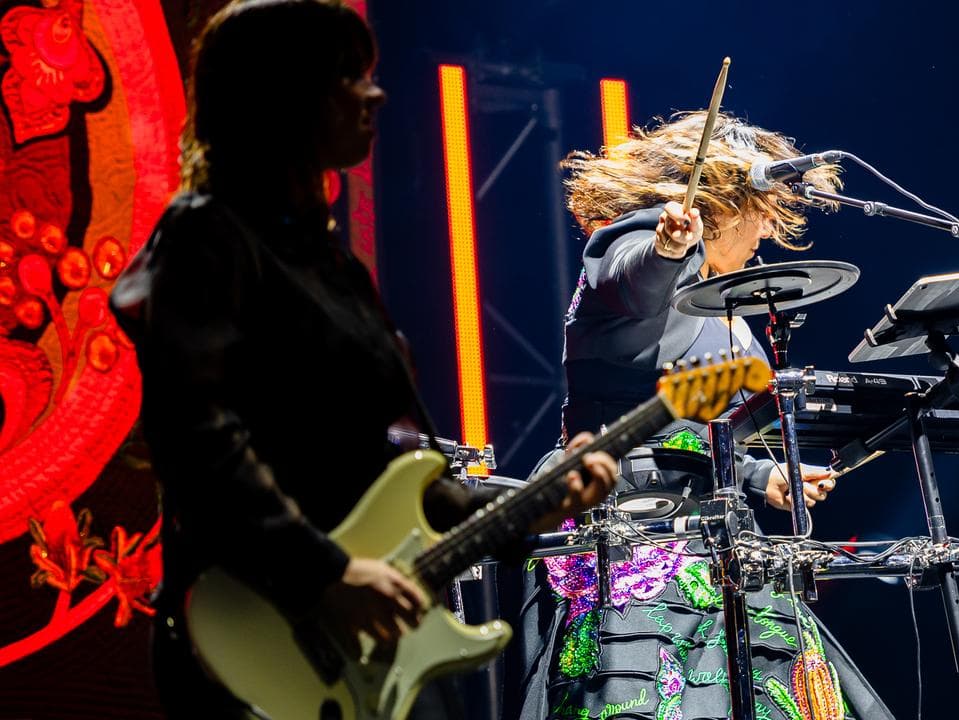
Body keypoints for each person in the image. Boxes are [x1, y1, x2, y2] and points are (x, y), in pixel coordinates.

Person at [108, 2, 616, 717]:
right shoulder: (208, 237)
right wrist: (325, 575)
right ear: (282, 98)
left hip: (363, 641)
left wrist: (537, 503)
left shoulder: (329, 264)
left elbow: (379, 475)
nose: (374, 94)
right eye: (348, 76)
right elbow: (195, 434)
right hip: (262, 631)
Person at [515, 113, 895, 719]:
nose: (766, 233)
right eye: (762, 214)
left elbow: (704, 434)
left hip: (719, 534)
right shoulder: (631, 247)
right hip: (632, 530)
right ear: (723, 204)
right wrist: (668, 248)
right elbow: (631, 279)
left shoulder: (732, 316)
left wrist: (757, 477)